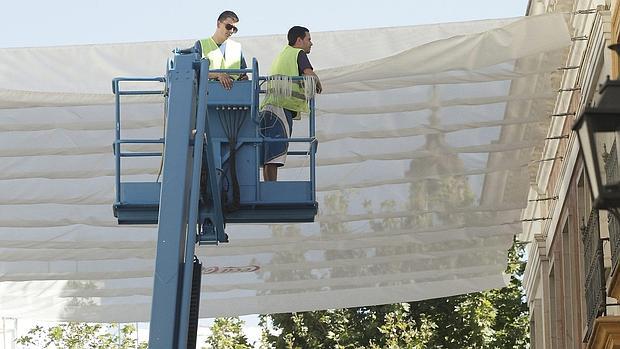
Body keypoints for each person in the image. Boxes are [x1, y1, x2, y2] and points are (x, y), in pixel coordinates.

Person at [260, 26, 323, 181]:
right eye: (309, 39)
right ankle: (272, 187)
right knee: (276, 151)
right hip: (282, 106)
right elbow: (308, 74)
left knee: (269, 152)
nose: (311, 43)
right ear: (299, 40)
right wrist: (317, 82)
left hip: (269, 105)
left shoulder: (283, 54)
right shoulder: (298, 53)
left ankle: (269, 186)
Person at [193, 10, 248, 89]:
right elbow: (196, 73)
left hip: (234, 96)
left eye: (234, 29)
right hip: (209, 96)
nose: (231, 31)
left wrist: (244, 78)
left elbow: (243, 74)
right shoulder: (201, 45)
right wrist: (218, 75)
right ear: (218, 24)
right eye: (229, 27)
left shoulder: (237, 48)